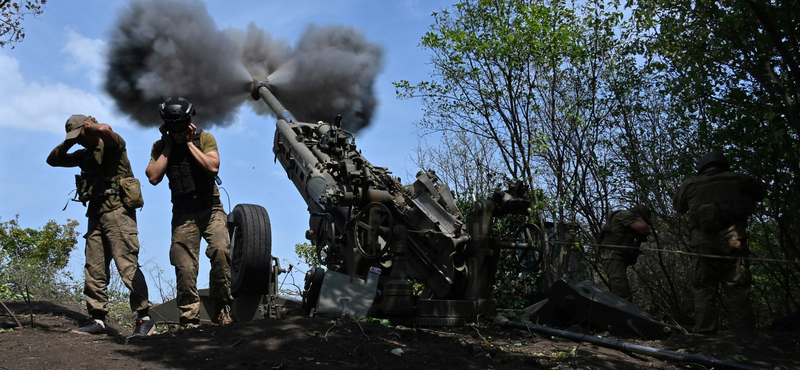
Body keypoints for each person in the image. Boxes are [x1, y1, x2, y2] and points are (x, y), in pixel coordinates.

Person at [46, 114, 155, 337]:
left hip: (118, 212)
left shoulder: (113, 146)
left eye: (80, 135)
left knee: (127, 265)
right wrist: (69, 140)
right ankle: (98, 319)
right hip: (95, 213)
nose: (78, 141)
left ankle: (145, 318)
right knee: (94, 268)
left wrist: (91, 127)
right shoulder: (83, 155)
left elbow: (106, 129)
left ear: (88, 128)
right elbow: (53, 160)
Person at [145, 96, 233, 328]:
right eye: (171, 125)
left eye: (180, 124)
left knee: (222, 252)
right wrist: (171, 145)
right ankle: (189, 320)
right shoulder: (160, 147)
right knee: (184, 267)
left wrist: (189, 144)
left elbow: (212, 167)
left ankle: (222, 309)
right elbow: (153, 176)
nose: (176, 129)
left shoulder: (204, 139)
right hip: (184, 213)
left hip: (211, 208)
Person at [674, 151, 767, 334]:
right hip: (734, 242)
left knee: (704, 289)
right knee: (738, 289)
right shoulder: (738, 179)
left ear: (702, 167)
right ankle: (744, 334)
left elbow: (679, 207)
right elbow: (760, 193)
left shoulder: (690, 183)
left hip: (703, 245)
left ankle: (705, 334)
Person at [598, 204, 652, 302]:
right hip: (613, 257)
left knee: (621, 292)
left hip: (617, 258)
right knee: (622, 296)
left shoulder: (629, 220)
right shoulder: (625, 214)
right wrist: (638, 216)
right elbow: (644, 229)